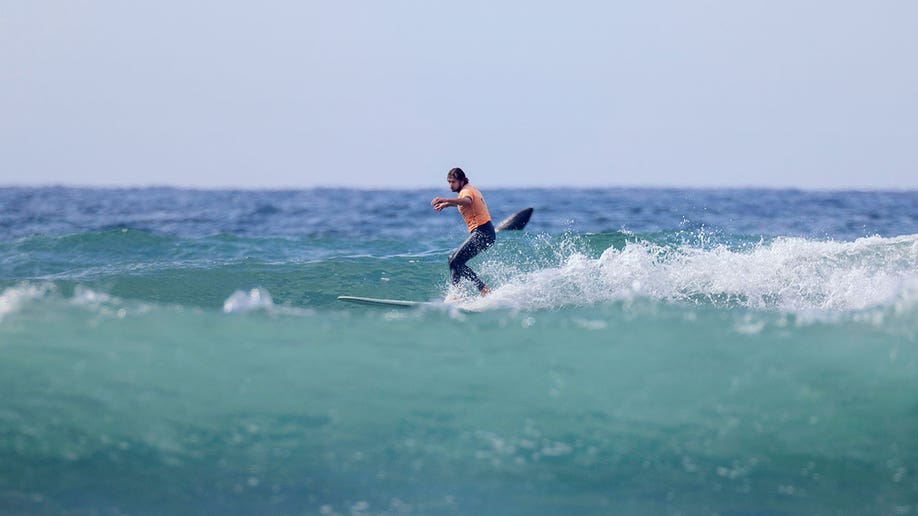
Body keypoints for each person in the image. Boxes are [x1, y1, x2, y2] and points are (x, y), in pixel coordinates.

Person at [431, 167, 495, 296]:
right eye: (449, 182)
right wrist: (448, 204)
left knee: (456, 261)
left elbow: (467, 201)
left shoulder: (467, 191)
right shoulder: (467, 190)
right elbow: (465, 203)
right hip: (484, 233)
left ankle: (480, 289)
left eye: (453, 182)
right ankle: (460, 293)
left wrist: (445, 200)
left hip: (482, 232)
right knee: (453, 259)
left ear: (461, 181)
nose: (450, 185)